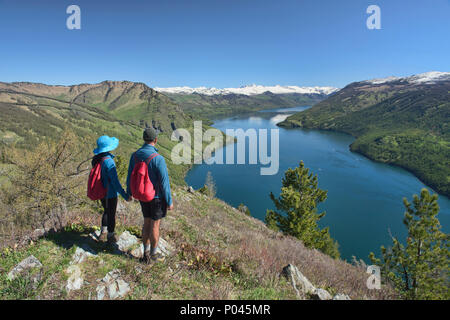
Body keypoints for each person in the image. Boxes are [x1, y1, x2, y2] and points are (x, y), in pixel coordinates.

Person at [127, 128, 174, 263]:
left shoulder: (135, 156)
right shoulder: (158, 159)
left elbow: (130, 176)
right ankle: (153, 255)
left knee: (146, 222)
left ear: (144, 139)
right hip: (156, 198)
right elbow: (165, 183)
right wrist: (169, 201)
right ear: (155, 140)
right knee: (155, 225)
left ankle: (145, 253)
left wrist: (129, 192)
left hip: (142, 196)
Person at [92, 135, 131, 244]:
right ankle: (110, 235)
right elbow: (115, 182)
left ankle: (103, 233)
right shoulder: (109, 162)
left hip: (101, 191)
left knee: (106, 211)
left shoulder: (97, 160)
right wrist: (124, 195)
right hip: (110, 193)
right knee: (111, 213)